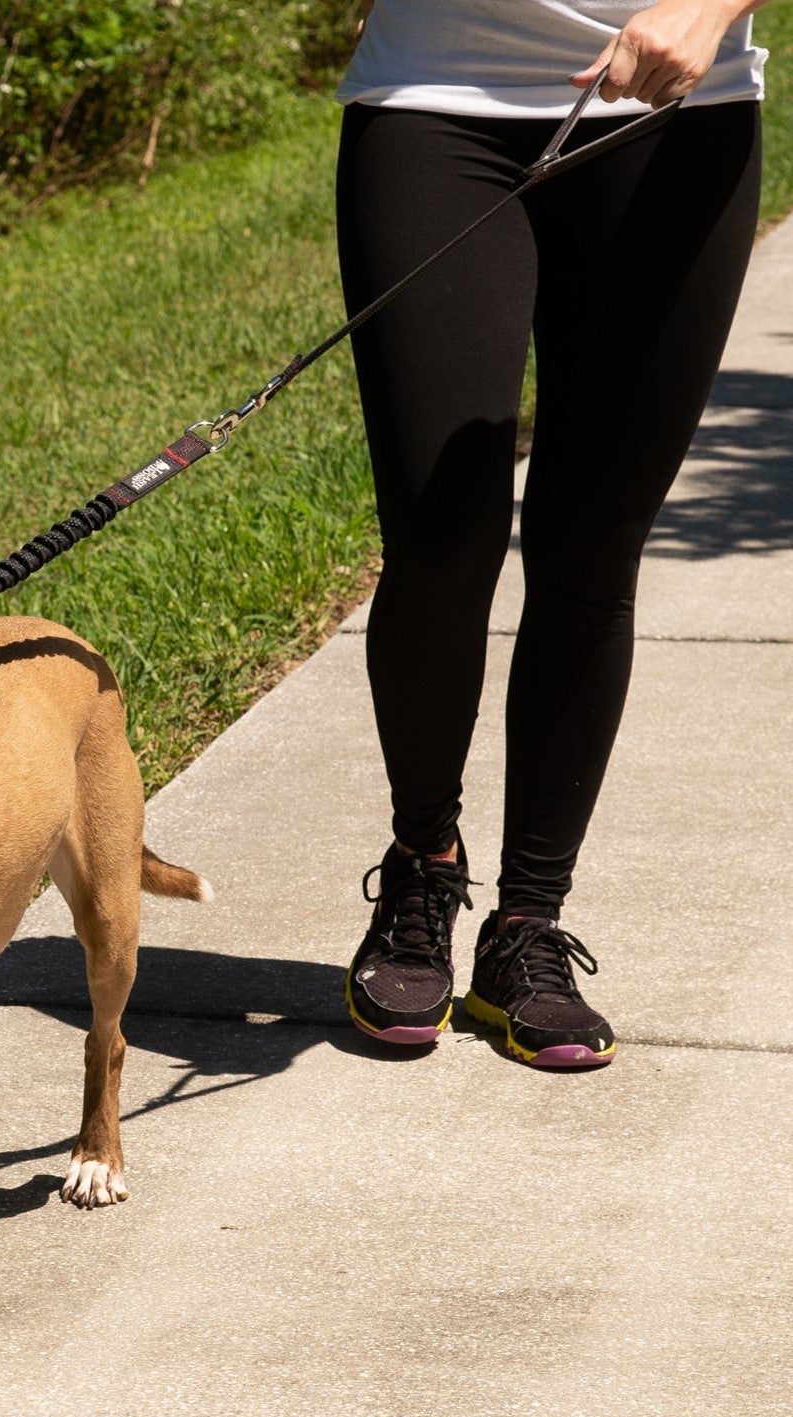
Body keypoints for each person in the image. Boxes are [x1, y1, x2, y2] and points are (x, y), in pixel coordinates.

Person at [336, 1, 767, 1067]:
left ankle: (525, 925)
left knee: (590, 544)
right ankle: (421, 868)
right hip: (435, 101)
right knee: (439, 530)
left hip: (677, 114)